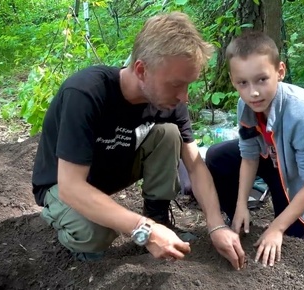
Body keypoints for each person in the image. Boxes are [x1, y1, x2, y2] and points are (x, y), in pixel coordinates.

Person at [31, 11, 245, 270]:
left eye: (187, 85)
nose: (184, 97)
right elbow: (71, 187)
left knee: (168, 133)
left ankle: (158, 217)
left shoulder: (168, 102)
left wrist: (216, 225)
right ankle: (73, 228)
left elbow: (196, 166)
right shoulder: (87, 93)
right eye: (177, 85)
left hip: (108, 173)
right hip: (62, 185)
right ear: (142, 69)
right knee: (97, 233)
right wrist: (144, 230)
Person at [205, 30, 304, 267]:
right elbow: (249, 156)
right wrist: (241, 204)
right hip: (272, 156)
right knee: (217, 156)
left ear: (279, 71)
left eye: (262, 79)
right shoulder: (246, 104)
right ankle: (241, 221)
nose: (253, 92)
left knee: (291, 239)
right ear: (233, 80)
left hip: (303, 175)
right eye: (243, 83)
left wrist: (276, 228)